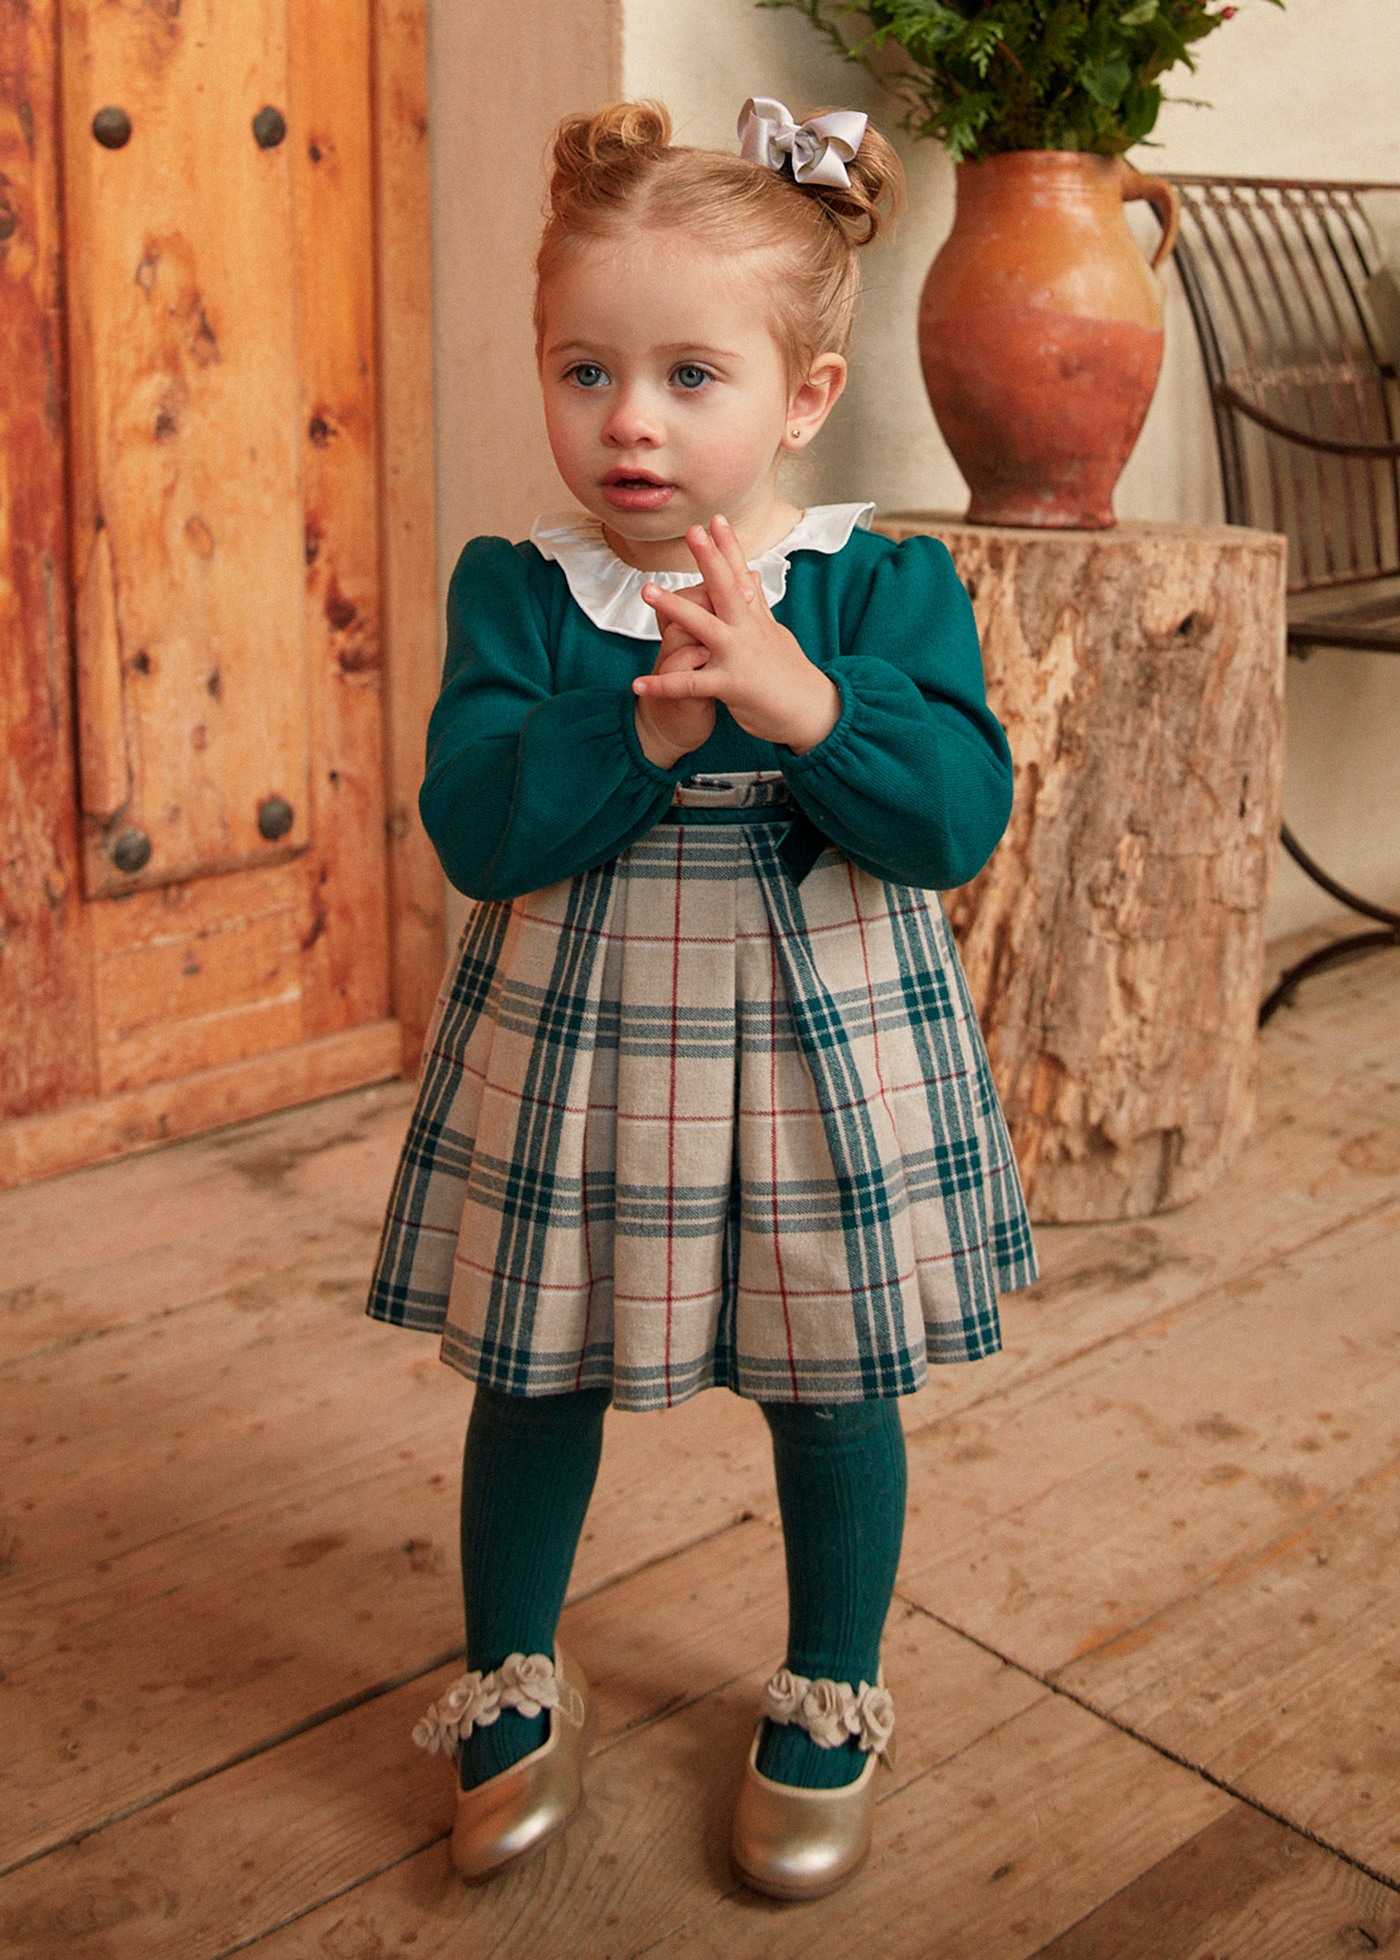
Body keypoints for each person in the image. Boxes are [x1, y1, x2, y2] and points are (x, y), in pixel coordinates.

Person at [368, 94, 1037, 1902]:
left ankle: (832, 1685)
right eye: (585, 370)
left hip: (825, 1047)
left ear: (803, 397)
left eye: (688, 374)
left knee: (834, 1379)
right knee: (536, 1361)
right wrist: (643, 718)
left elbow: (953, 818)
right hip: (584, 1049)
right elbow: (481, 831)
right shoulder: (527, 595)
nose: (631, 420)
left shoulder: (879, 587)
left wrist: (804, 702)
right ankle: (513, 1672)